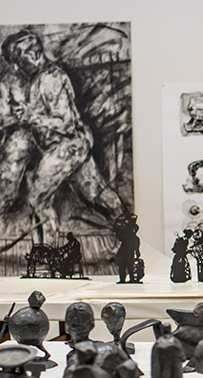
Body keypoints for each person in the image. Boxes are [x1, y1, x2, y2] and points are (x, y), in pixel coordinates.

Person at [0, 29, 123, 242]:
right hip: (71, 145)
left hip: (67, 146)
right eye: (25, 52)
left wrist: (32, 116)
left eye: (33, 48)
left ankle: (48, 252)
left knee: (38, 197)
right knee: (96, 193)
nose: (34, 53)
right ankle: (130, 234)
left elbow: (65, 123)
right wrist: (25, 116)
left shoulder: (51, 78)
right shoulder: (39, 79)